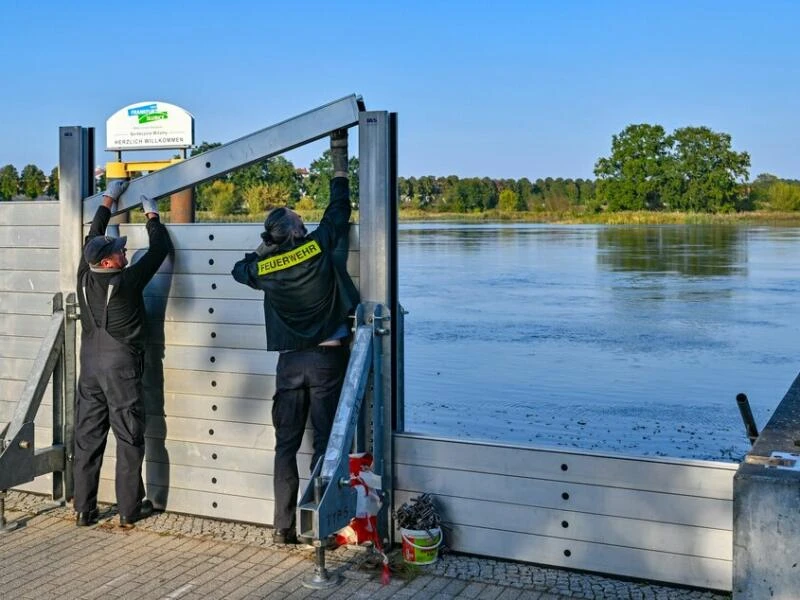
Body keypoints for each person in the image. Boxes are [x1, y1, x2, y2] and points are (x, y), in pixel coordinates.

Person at [232, 129, 359, 544]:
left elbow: (240, 269)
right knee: (326, 444)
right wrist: (339, 163)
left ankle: (283, 528)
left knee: (285, 447)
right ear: (299, 231)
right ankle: (322, 524)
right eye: (301, 223)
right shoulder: (319, 247)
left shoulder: (265, 269)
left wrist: (265, 250)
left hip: (289, 365)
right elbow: (339, 210)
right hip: (327, 360)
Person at [73, 181, 173, 529]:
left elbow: (93, 234)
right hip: (121, 370)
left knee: (87, 437)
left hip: (89, 366)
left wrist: (108, 199)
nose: (124, 253)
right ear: (107, 261)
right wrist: (152, 216)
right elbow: (160, 249)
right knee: (129, 436)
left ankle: (83, 510)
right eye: (119, 251)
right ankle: (130, 510)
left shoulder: (84, 276)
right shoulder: (127, 282)